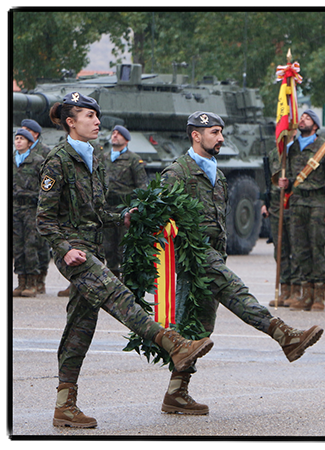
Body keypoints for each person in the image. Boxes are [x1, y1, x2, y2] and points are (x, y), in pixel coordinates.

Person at [36, 92, 213, 428]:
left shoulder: (96, 156)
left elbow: (98, 212)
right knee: (119, 295)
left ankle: (64, 406)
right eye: (88, 116)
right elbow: (44, 220)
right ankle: (174, 344)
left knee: (80, 327)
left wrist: (124, 217)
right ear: (70, 122)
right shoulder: (57, 161)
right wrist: (64, 248)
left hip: (94, 249)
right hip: (75, 253)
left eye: (96, 115)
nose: (97, 121)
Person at [160, 111, 324, 415]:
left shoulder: (218, 175)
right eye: (214, 132)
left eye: (221, 132)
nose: (221, 138)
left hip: (214, 256)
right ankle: (285, 335)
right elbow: (162, 218)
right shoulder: (177, 173)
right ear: (196, 135)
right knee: (236, 291)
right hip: (193, 257)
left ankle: (176, 393)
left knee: (199, 328)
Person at [278, 110, 325, 311]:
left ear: (315, 126)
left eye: (307, 118)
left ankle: (319, 296)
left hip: (318, 203)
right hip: (298, 203)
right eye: (302, 117)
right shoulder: (292, 148)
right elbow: (293, 177)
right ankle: (306, 296)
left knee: (317, 248)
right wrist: (286, 183)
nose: (302, 120)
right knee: (300, 249)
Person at [101, 125, 148, 279]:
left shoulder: (133, 159)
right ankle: (113, 280)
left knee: (124, 248)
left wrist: (137, 207)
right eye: (113, 133)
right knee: (108, 248)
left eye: (119, 134)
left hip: (125, 210)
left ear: (126, 140)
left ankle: (126, 281)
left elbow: (142, 185)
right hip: (107, 209)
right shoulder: (104, 158)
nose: (115, 135)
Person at [261, 146, 298, 307]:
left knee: (296, 249)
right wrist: (265, 203)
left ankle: (297, 290)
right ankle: (285, 289)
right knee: (280, 250)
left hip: (294, 204)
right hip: (276, 207)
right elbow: (268, 182)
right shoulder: (273, 154)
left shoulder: (300, 151)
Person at [21, 119, 51, 293]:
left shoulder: (44, 152)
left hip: (39, 204)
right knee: (22, 243)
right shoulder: (19, 152)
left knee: (40, 243)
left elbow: (49, 179)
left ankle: (40, 279)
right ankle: (25, 280)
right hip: (21, 206)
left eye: (26, 130)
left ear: (35, 134)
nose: (22, 133)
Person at [13, 128, 44, 297]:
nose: (18, 141)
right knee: (17, 246)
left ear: (29, 143)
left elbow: (46, 186)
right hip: (15, 209)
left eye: (22, 139)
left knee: (30, 245)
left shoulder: (38, 161)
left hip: (31, 209)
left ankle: (33, 283)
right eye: (16, 138)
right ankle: (21, 282)